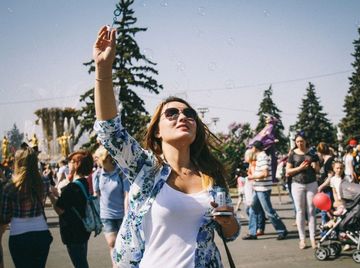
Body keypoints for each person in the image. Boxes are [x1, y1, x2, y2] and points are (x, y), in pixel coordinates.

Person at [93, 26, 240, 267]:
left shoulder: (210, 177)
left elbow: (231, 233)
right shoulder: (145, 169)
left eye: (189, 113)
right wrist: (103, 70)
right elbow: (110, 131)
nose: (183, 117)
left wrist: (227, 221)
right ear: (158, 130)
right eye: (171, 113)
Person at [0, 147, 53, 268]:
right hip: (41, 233)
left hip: (19, 235)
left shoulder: (9, 188)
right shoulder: (44, 182)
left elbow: (4, 217)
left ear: (17, 163)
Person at [49, 151, 94, 268]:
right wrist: (59, 196)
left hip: (73, 231)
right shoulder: (84, 183)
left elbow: (59, 209)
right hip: (83, 229)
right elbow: (72, 203)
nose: (68, 164)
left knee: (80, 264)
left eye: (71, 161)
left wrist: (51, 196)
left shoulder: (72, 187)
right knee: (82, 262)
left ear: (77, 164)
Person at [243, 141, 287, 240]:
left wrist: (252, 177)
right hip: (259, 188)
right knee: (253, 210)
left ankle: (282, 230)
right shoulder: (261, 156)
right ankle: (252, 232)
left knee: (268, 211)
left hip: (263, 188)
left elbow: (265, 173)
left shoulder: (262, 157)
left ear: (255, 148)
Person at [93, 146, 129, 267]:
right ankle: (115, 265)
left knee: (124, 244)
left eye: (98, 158)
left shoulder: (120, 173)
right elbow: (96, 195)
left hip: (121, 214)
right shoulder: (97, 175)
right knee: (112, 243)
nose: (96, 160)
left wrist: (127, 215)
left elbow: (126, 195)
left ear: (106, 158)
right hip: (106, 215)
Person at [286, 132, 320, 249]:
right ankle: (302, 239)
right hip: (297, 184)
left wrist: (314, 164)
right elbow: (288, 171)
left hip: (311, 183)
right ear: (295, 143)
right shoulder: (292, 154)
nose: (300, 143)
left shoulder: (312, 153)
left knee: (311, 211)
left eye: (302, 141)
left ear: (306, 141)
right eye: (297, 141)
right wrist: (300, 168)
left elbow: (317, 170)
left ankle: (313, 238)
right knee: (300, 211)